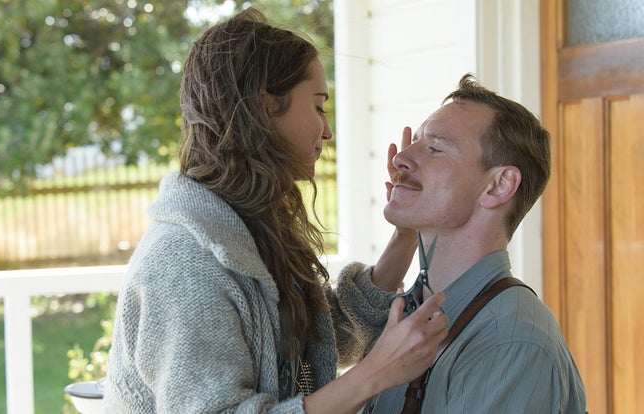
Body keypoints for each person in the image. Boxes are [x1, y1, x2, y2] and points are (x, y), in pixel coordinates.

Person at [102, 8, 449, 414]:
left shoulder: (251, 227)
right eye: (318, 106)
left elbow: (322, 341)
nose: (327, 130)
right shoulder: (185, 264)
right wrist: (376, 373)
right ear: (266, 107)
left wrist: (405, 233)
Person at [365, 74, 587, 413]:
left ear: (498, 186)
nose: (400, 159)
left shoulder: (511, 342)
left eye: (435, 148)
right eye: (415, 142)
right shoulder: (404, 316)